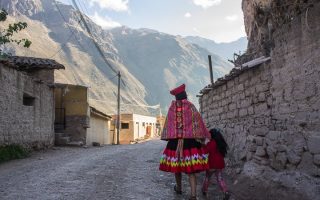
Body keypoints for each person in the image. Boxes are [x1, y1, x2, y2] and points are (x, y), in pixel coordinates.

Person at [159, 84, 211, 200]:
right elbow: (198, 121)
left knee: (177, 168)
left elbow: (169, 124)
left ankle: (179, 188)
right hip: (190, 143)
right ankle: (193, 195)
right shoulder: (191, 107)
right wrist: (201, 137)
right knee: (191, 169)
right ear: (185, 95)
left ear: (176, 97)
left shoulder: (172, 108)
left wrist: (171, 135)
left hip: (175, 143)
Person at [202, 128, 230, 200]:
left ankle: (204, 190)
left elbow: (205, 151)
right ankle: (225, 191)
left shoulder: (211, 143)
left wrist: (203, 144)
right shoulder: (220, 143)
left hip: (212, 164)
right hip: (220, 164)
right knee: (220, 178)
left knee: (207, 177)